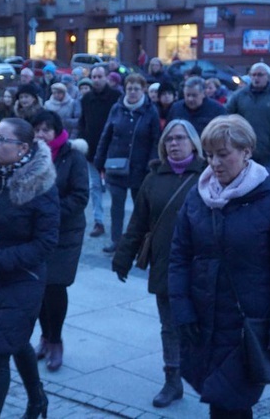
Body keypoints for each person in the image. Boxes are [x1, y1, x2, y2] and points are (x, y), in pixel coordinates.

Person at [169, 115, 270, 418]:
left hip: (249, 326)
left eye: (222, 154)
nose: (214, 163)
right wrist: (183, 310)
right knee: (221, 401)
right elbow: (178, 256)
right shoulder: (198, 196)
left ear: (246, 152)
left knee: (230, 404)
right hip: (204, 321)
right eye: (209, 154)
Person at [0, 117, 59, 419]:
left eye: (1, 140)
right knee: (13, 341)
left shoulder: (41, 184)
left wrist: (0, 259)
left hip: (23, 278)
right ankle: (38, 400)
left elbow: (46, 243)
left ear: (22, 148)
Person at [112, 119, 204, 408]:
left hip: (201, 266)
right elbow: (138, 222)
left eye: (180, 138)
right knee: (169, 326)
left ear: (193, 142)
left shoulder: (208, 174)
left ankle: (209, 376)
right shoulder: (153, 178)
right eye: (168, 139)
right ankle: (173, 380)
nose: (173, 144)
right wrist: (123, 257)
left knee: (204, 323)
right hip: (166, 264)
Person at [30, 111, 88, 372]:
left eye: (46, 129)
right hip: (36, 233)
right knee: (39, 286)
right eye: (37, 129)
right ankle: (44, 336)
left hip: (65, 233)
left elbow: (79, 197)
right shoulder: (29, 156)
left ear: (57, 131)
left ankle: (56, 341)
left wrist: (49, 211)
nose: (41, 134)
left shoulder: (73, 157)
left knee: (55, 286)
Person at [94, 74, 160, 252]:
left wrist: (152, 163)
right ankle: (116, 241)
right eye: (129, 88)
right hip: (116, 165)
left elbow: (156, 140)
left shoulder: (150, 111)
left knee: (139, 208)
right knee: (117, 207)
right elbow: (106, 135)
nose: (132, 92)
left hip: (140, 167)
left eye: (136, 89)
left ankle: (138, 243)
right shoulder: (117, 108)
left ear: (143, 90)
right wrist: (99, 160)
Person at [78, 66, 121, 238]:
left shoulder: (116, 97)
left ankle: (117, 225)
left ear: (106, 78)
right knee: (94, 186)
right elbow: (83, 121)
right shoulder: (86, 98)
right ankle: (98, 221)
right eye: (94, 76)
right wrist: (82, 140)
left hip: (112, 149)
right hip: (92, 149)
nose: (96, 79)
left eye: (99, 76)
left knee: (113, 188)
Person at [226, 62, 270, 170]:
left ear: (267, 76)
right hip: (242, 150)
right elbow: (226, 118)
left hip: (268, 153)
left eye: (260, 75)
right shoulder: (239, 96)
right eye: (253, 75)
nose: (256, 78)